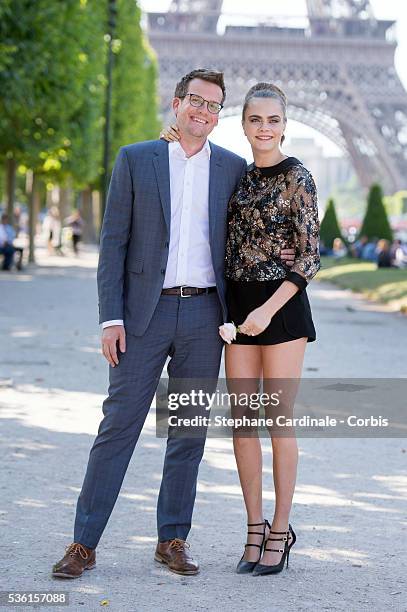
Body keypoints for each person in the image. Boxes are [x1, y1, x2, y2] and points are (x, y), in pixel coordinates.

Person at [51, 68, 296, 580]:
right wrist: (110, 318)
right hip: (143, 315)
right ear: (177, 103)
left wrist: (284, 262)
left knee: (187, 434)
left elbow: (264, 221)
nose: (203, 112)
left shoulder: (232, 168)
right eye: (196, 102)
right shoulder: (136, 159)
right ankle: (83, 543)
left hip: (206, 318)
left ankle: (172, 540)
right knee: (118, 427)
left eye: (213, 106)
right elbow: (113, 244)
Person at [161, 81, 320, 576]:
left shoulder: (300, 178)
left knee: (278, 421)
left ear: (285, 125)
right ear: (243, 123)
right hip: (236, 310)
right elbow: (192, 182)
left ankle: (280, 528)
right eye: (256, 120)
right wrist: (169, 142)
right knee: (242, 426)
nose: (264, 128)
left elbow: (309, 255)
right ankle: (254, 526)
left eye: (274, 120)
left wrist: (268, 310)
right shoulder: (235, 175)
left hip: (282, 309)